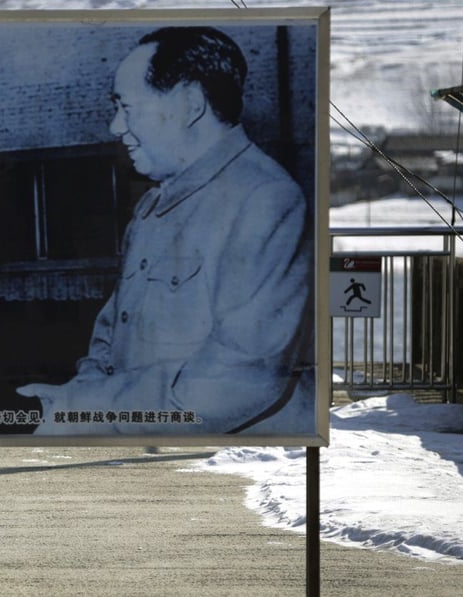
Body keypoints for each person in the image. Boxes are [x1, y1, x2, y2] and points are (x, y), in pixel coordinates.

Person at [18, 27, 314, 435]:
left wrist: (88, 408)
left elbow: (235, 382)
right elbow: (112, 328)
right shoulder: (154, 206)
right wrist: (79, 397)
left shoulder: (266, 199)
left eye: (126, 107)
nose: (115, 126)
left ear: (190, 104)